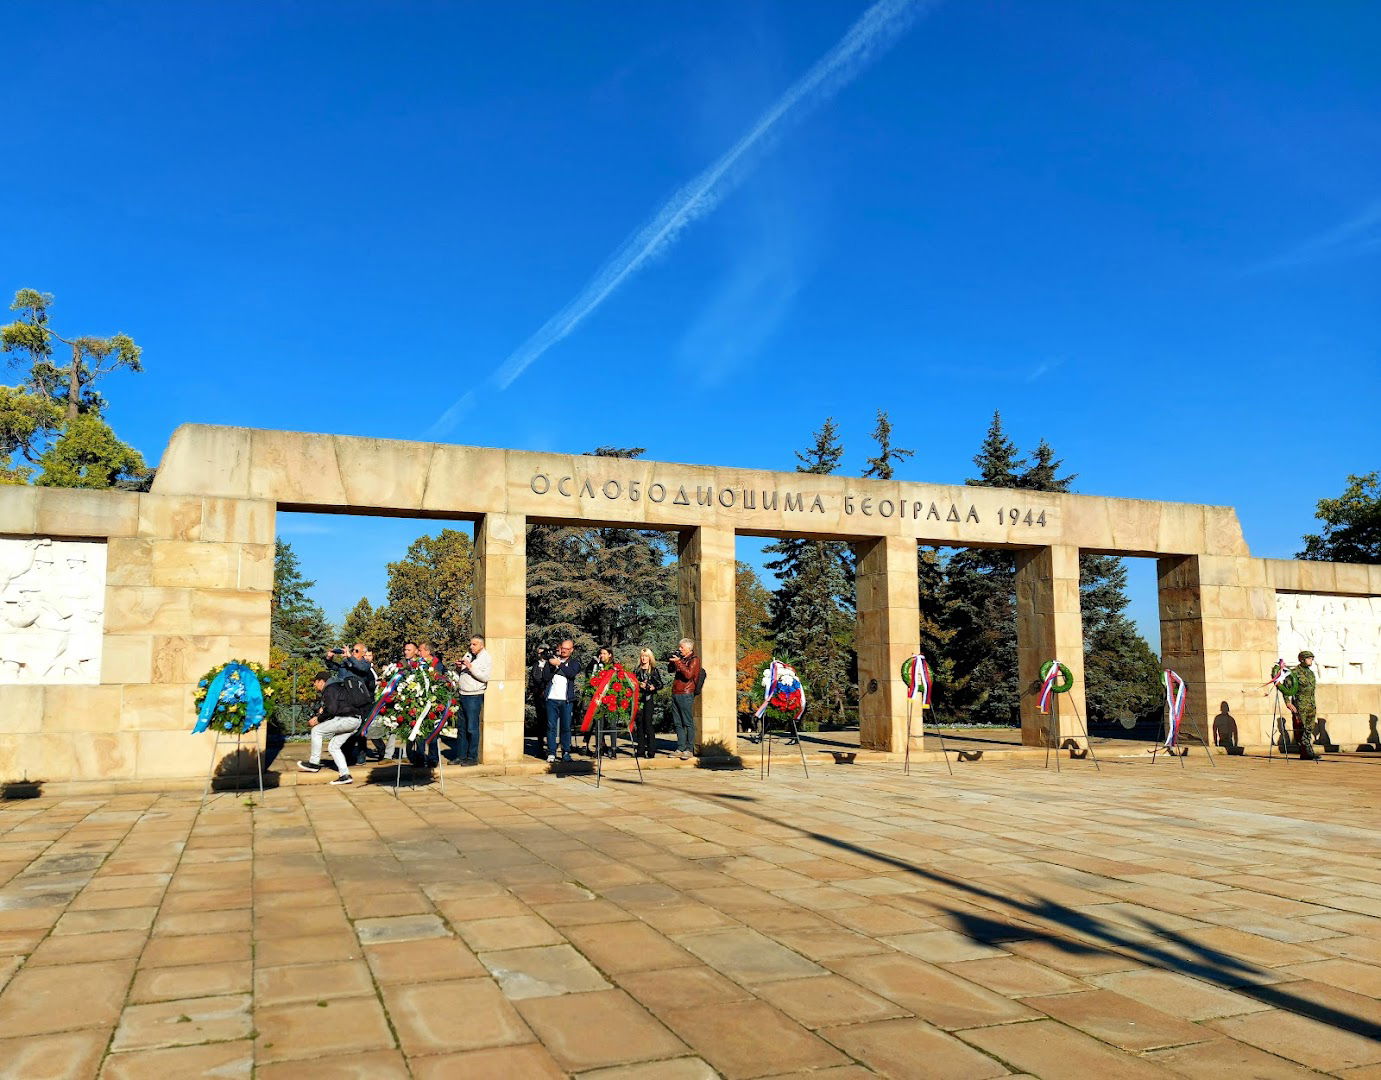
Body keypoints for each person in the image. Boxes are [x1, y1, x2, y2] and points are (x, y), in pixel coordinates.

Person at [298, 671, 364, 785]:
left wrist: (318, 719)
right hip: (356, 720)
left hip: (346, 719)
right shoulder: (338, 687)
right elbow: (337, 706)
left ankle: (314, 763)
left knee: (316, 730)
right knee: (334, 747)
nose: (314, 685)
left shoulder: (330, 688)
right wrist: (324, 711)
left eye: (315, 682)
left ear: (321, 681)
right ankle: (345, 775)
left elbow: (332, 710)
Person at [540, 639, 581, 763]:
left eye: (567, 649)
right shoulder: (551, 660)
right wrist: (552, 666)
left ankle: (566, 752)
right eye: (562, 648)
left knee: (566, 727)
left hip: (566, 700)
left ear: (572, 650)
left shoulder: (574, 662)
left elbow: (571, 674)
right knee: (551, 726)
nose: (564, 650)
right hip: (552, 698)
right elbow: (545, 677)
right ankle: (551, 752)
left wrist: (559, 664)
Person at [453, 634, 492, 765]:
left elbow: (485, 677)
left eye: (474, 644)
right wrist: (459, 667)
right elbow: (462, 672)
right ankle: (461, 755)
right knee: (462, 728)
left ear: (482, 645)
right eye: (471, 644)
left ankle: (472, 757)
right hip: (463, 694)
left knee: (472, 728)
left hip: (474, 696)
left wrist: (470, 667)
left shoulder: (486, 658)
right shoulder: (468, 654)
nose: (471, 646)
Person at [667, 637, 701, 760]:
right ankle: (680, 747)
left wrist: (678, 663)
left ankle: (688, 749)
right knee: (677, 722)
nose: (679, 649)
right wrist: (672, 662)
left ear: (688, 648)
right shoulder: (680, 659)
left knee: (687, 722)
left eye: (681, 647)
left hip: (686, 693)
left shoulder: (694, 660)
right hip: (676, 692)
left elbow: (688, 675)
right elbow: (671, 670)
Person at [1285, 649, 1321, 760]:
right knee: (1301, 727)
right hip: (1300, 704)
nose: (1311, 660)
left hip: (1311, 704)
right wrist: (1288, 702)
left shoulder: (1310, 673)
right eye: (1309, 658)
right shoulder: (1294, 672)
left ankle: (1306, 750)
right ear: (1302, 659)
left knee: (1310, 727)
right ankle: (1305, 750)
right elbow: (1287, 688)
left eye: (1312, 658)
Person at [633, 647, 664, 759]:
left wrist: (653, 687)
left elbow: (660, 684)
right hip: (639, 699)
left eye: (646, 656)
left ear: (650, 658)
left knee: (648, 724)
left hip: (648, 698)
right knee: (640, 724)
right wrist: (638, 685)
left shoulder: (653, 670)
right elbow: (632, 682)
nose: (644, 658)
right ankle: (640, 750)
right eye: (642, 656)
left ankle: (651, 750)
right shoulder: (637, 670)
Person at [584, 646, 615, 757]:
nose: (602, 656)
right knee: (598, 724)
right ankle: (599, 748)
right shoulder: (595, 665)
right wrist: (593, 662)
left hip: (610, 698)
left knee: (612, 724)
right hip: (598, 698)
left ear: (610, 655)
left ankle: (613, 749)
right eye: (601, 653)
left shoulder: (613, 666)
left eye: (604, 653)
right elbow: (588, 674)